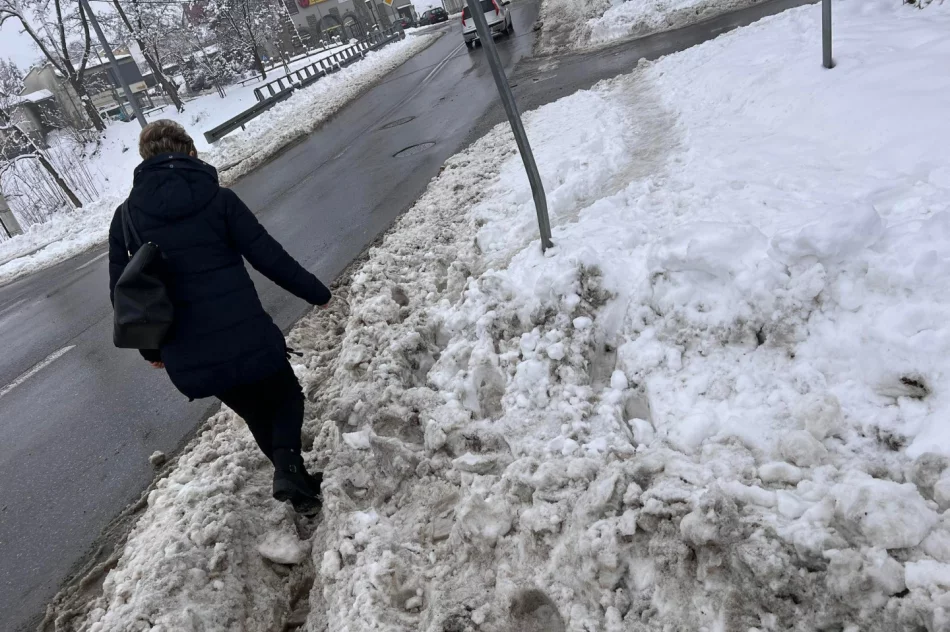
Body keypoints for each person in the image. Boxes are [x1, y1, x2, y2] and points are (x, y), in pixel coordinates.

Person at [108, 120, 329, 514]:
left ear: (146, 160)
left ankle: (298, 487)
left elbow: (124, 292)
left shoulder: (125, 218)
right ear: (190, 153)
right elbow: (269, 256)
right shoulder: (218, 199)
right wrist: (316, 292)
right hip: (246, 333)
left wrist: (150, 350)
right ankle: (290, 468)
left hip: (187, 350)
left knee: (255, 410)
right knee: (285, 395)